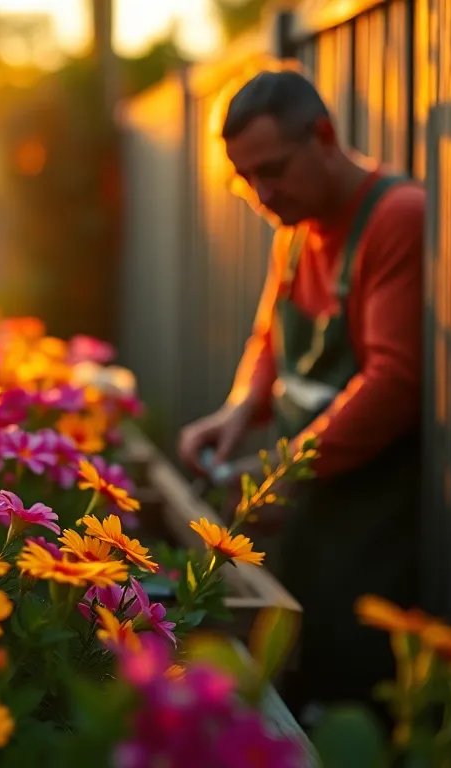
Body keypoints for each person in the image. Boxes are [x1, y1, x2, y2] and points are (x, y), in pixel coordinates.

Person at [176, 70, 425, 722]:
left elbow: (395, 382)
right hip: (308, 519)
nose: (261, 193)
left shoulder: (396, 216)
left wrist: (278, 474)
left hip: (374, 523)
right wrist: (237, 412)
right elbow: (269, 340)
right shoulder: (294, 225)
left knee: (355, 705)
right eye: (245, 179)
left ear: (323, 136)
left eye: (273, 169)